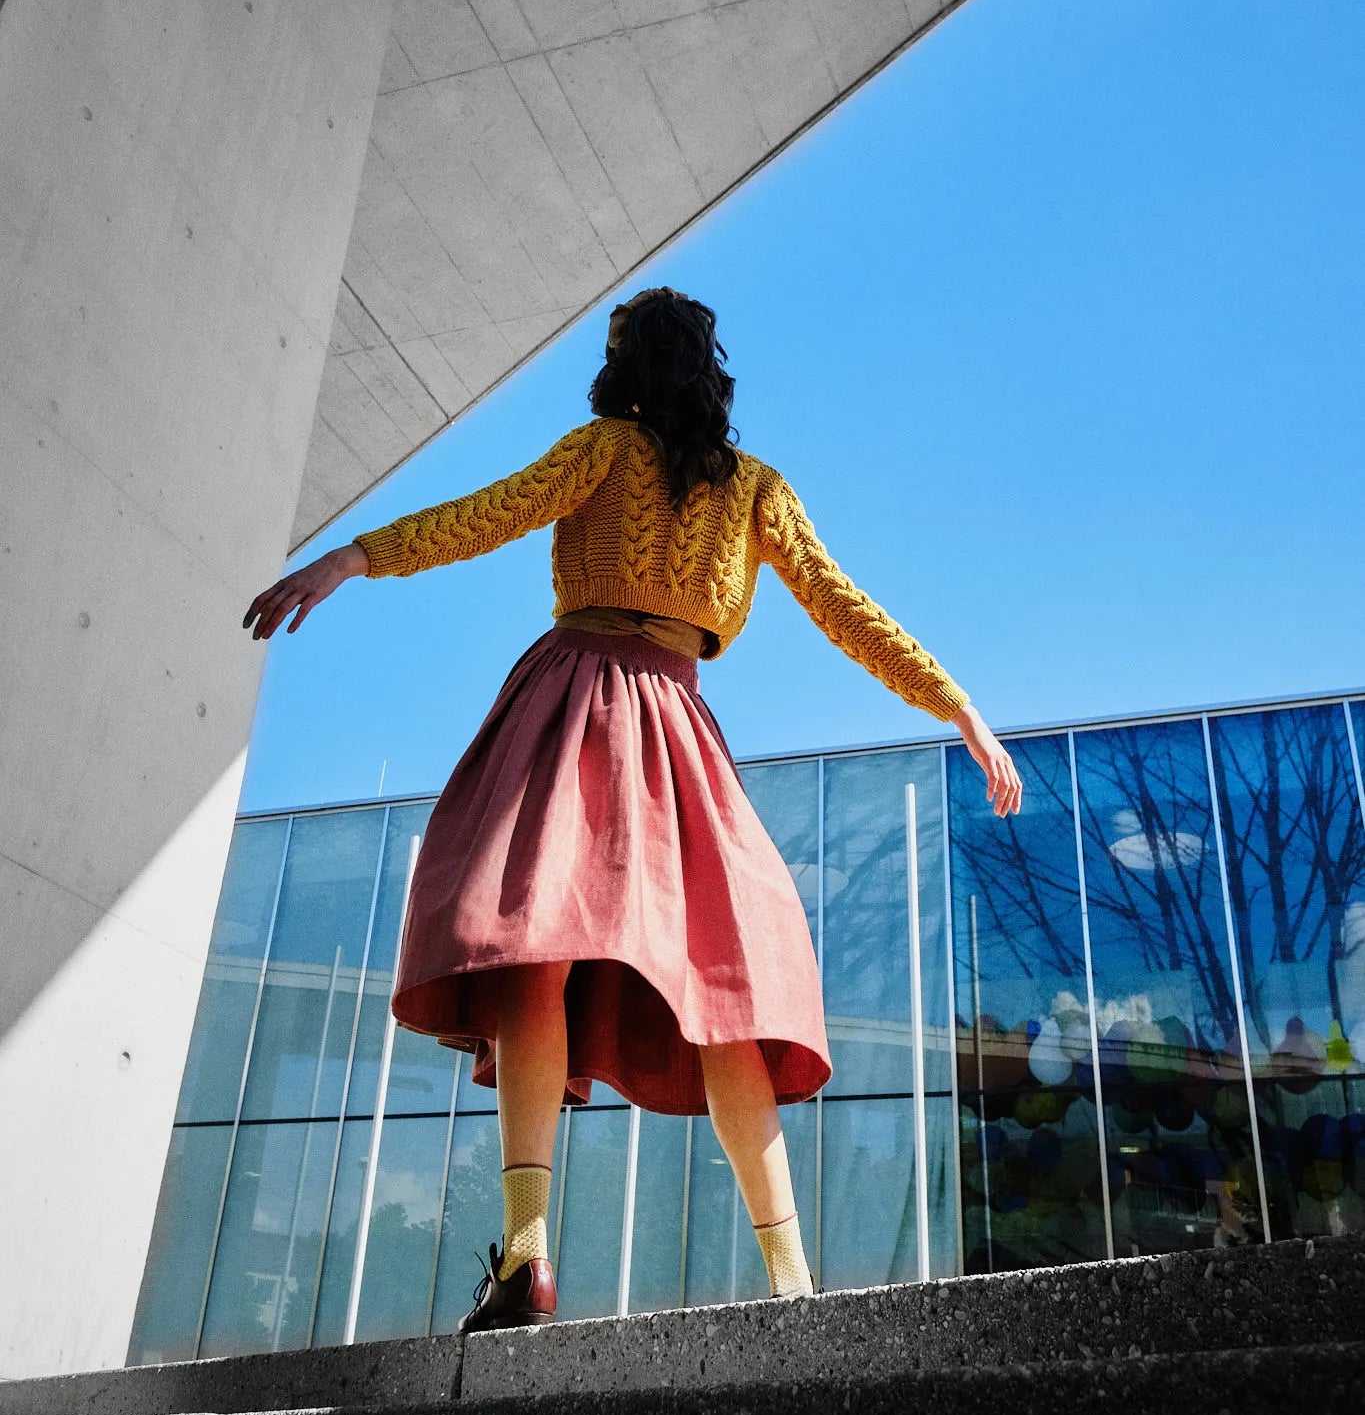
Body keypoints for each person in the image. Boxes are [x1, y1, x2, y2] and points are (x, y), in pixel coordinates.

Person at [243, 287, 1022, 1333]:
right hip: (673, 718)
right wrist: (960, 705)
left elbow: (488, 513)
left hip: (574, 699)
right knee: (726, 987)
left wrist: (356, 557)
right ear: (710, 369)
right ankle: (789, 1285)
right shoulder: (755, 486)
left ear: (623, 364)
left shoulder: (604, 446)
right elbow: (847, 609)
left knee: (536, 952)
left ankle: (529, 1257)